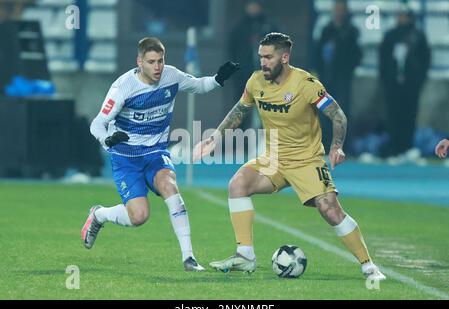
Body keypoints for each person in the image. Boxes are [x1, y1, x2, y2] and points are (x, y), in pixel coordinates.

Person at [193, 32, 385, 281]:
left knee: (329, 209)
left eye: (269, 57)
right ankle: (245, 255)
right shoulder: (255, 81)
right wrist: (215, 137)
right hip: (273, 159)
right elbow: (240, 109)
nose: (263, 62)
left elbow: (338, 116)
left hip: (306, 160)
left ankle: (368, 265)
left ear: (284, 57)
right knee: (237, 185)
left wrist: (336, 147)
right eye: (261, 56)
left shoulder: (306, 84)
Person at [82, 37, 239, 271]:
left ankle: (189, 257)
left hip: (155, 152)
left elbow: (198, 85)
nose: (157, 67)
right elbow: (98, 123)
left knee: (169, 185)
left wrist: (218, 79)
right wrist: (107, 139)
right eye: (151, 62)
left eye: (161, 61)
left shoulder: (171, 76)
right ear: (139, 62)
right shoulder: (122, 87)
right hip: (126, 158)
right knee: (139, 216)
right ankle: (99, 214)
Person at [379, 5, 431, 158]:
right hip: (393, 84)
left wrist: (419, 80)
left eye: (404, 15)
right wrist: (386, 80)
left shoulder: (418, 36)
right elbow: (383, 60)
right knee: (393, 116)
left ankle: (407, 148)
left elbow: (425, 60)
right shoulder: (390, 36)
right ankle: (394, 149)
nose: (401, 18)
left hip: (410, 85)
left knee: (409, 116)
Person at [315, 0, 361, 152]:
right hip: (326, 77)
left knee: (342, 112)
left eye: (341, 9)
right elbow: (318, 53)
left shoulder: (351, 31)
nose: (338, 12)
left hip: (343, 78)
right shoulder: (326, 30)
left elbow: (356, 55)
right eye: (336, 9)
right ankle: (325, 143)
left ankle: (342, 146)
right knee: (325, 112)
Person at [228, 0, 278, 130]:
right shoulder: (239, 29)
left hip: (267, 76)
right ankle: (239, 143)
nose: (253, 8)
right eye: (250, 4)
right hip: (244, 76)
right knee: (242, 111)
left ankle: (267, 144)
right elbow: (232, 52)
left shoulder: (269, 27)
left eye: (256, 4)